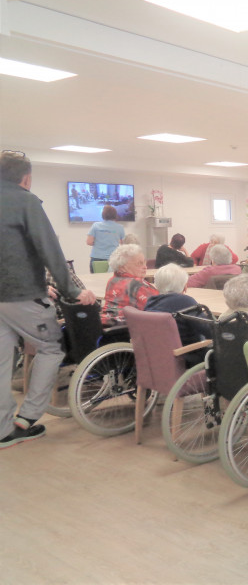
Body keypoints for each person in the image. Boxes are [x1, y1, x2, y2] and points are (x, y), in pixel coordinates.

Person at [1, 150, 96, 448]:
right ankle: (27, 417)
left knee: (2, 362)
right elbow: (49, 249)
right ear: (26, 178)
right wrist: (72, 290)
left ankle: (2, 431)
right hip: (20, 295)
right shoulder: (26, 201)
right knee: (51, 348)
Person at [144, 263, 211, 365]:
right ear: (184, 286)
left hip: (159, 356)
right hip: (186, 356)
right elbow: (208, 330)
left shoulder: (151, 301)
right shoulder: (185, 302)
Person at [100, 244, 159, 325]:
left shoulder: (112, 280)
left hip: (108, 327)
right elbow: (159, 306)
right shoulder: (136, 284)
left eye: (145, 263)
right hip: (128, 330)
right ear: (123, 266)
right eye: (139, 263)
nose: (145, 267)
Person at [86, 204, 125, 272]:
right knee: (112, 281)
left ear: (103, 214)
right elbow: (123, 244)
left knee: (95, 281)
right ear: (115, 215)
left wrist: (99, 241)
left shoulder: (95, 225)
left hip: (96, 259)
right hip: (113, 259)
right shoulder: (120, 227)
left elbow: (89, 242)